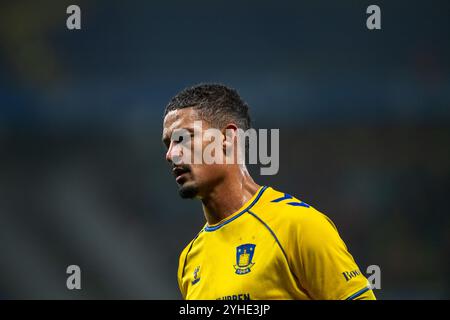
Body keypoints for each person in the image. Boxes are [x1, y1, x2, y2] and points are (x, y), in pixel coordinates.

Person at [162, 83, 375, 300]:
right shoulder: (189, 260)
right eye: (167, 144)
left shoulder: (297, 226)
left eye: (183, 138)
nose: (170, 154)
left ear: (227, 138)